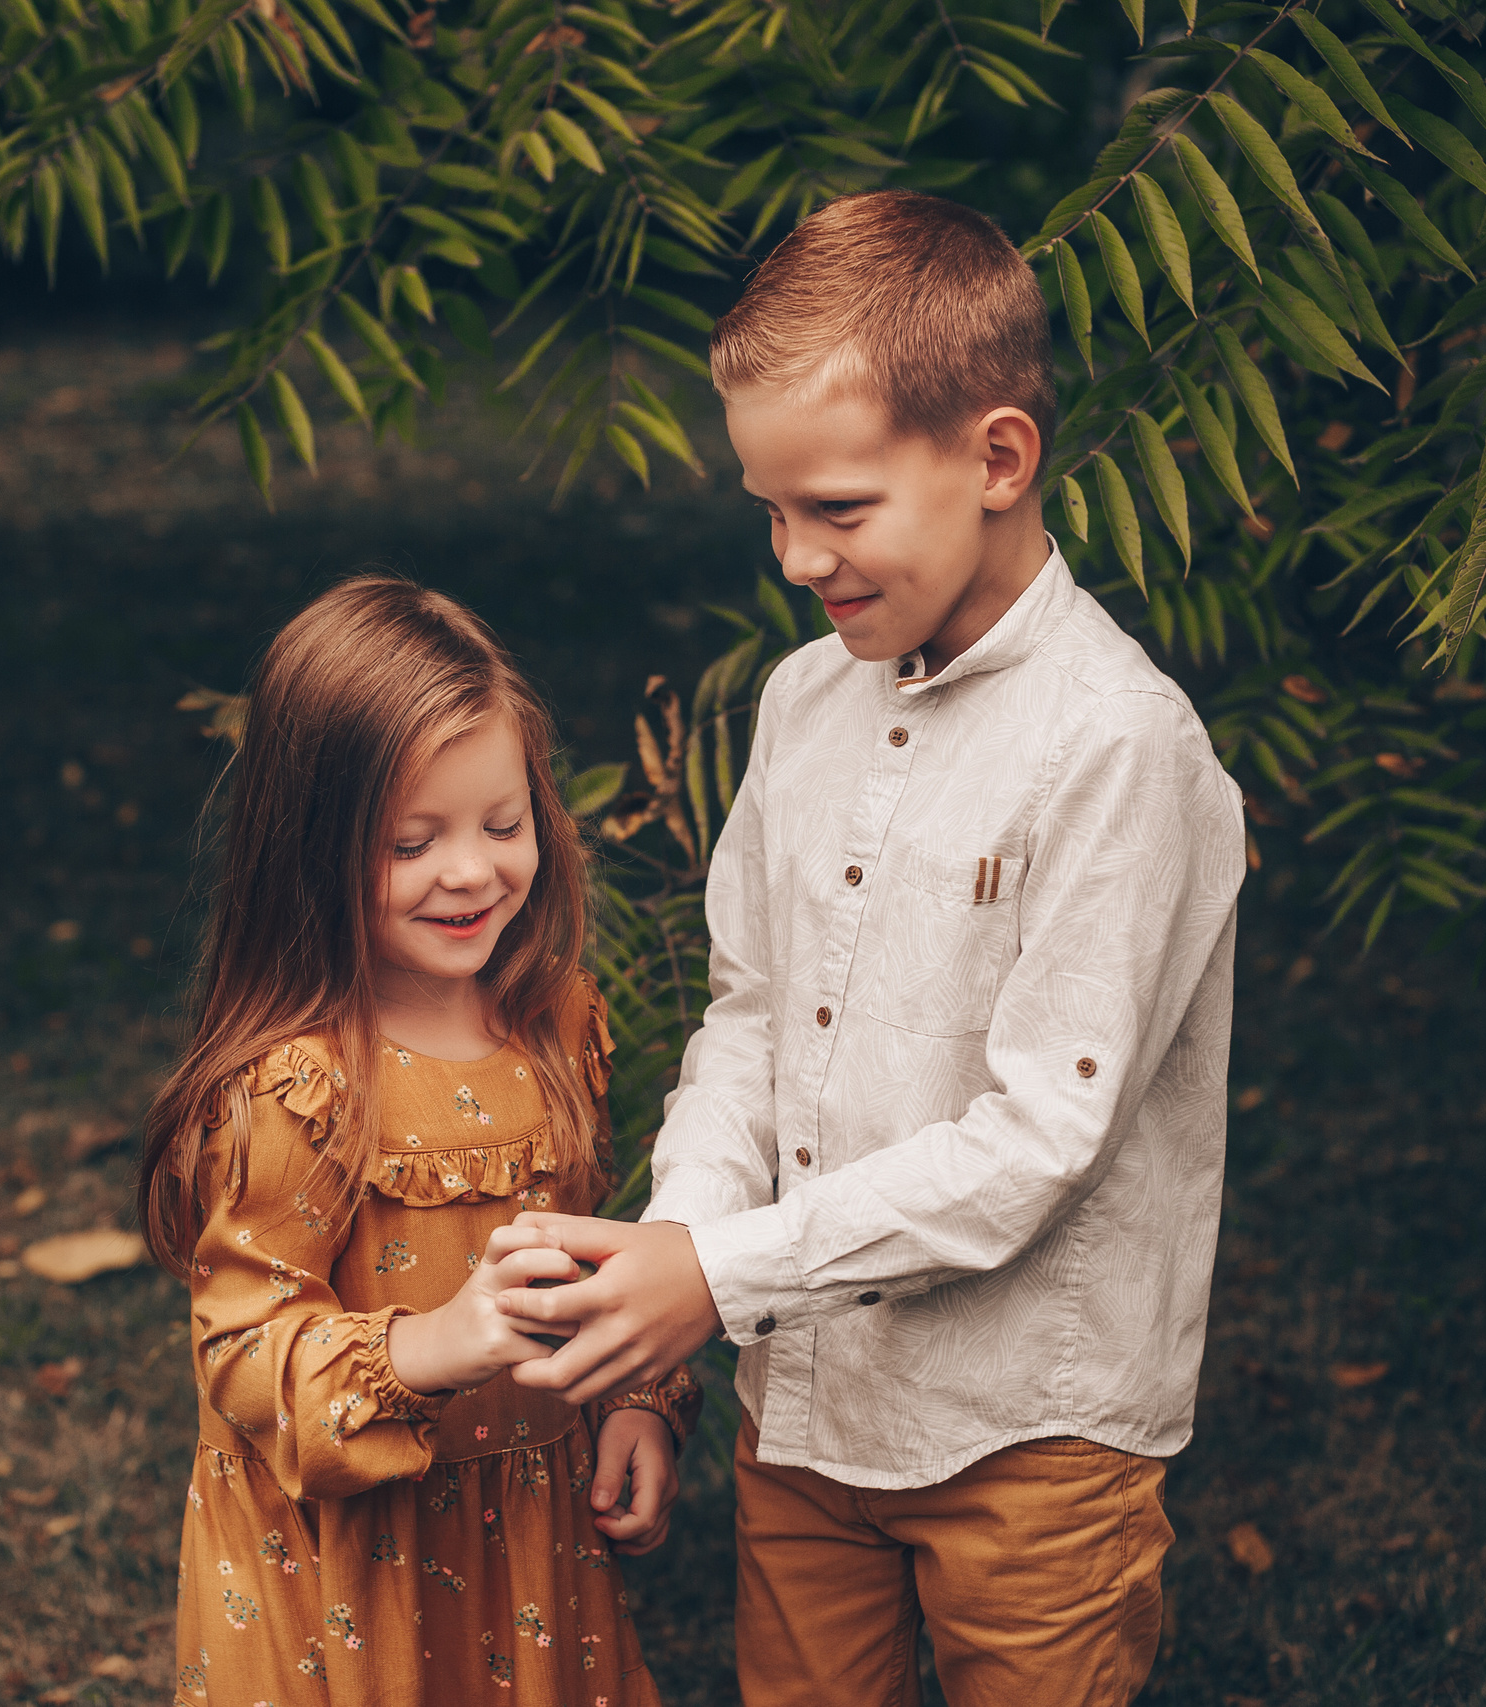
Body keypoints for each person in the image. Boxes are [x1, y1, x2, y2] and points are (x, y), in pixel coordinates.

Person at [495, 189, 1248, 1705]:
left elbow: (1041, 1141)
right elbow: (751, 1020)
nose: (794, 556)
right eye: (769, 512)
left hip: (1030, 1437)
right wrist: (669, 1294)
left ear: (997, 459)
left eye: (836, 510)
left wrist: (716, 1274)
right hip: (807, 1412)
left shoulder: (1119, 748)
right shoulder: (800, 703)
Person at [140, 576, 701, 1706]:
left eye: (504, 824)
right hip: (350, 1575)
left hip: (530, 1540)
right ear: (312, 849)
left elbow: (580, 1257)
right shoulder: (300, 1088)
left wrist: (631, 1398)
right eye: (411, 842)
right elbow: (243, 1353)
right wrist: (430, 1347)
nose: (472, 871)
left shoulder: (553, 1023)